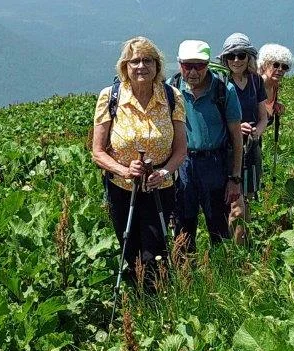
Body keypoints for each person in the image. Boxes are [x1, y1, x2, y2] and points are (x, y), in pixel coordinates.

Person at [91, 37, 186, 285]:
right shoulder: (110, 97)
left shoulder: (172, 97)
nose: (141, 66)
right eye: (135, 61)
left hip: (160, 188)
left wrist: (164, 173)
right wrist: (124, 170)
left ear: (157, 66)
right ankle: (137, 301)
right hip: (122, 188)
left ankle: (156, 303)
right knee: (129, 249)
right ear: (125, 67)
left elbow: (181, 150)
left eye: (148, 60)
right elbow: (98, 152)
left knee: (155, 253)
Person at [171, 39, 243, 250]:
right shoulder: (171, 90)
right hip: (182, 164)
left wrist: (235, 178)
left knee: (218, 225)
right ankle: (185, 273)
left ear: (208, 64)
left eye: (199, 66)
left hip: (215, 163)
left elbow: (237, 138)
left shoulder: (224, 90)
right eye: (187, 66)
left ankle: (221, 273)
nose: (193, 72)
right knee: (183, 226)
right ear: (179, 64)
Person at [219, 33, 269, 243]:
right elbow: (216, 119)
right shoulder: (220, 83)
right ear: (225, 59)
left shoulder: (256, 81)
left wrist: (257, 130)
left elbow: (263, 117)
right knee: (236, 203)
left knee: (246, 199)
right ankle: (238, 252)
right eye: (231, 56)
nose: (236, 60)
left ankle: (242, 244)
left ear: (249, 57)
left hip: (251, 148)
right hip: (229, 150)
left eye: (241, 55)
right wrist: (236, 128)